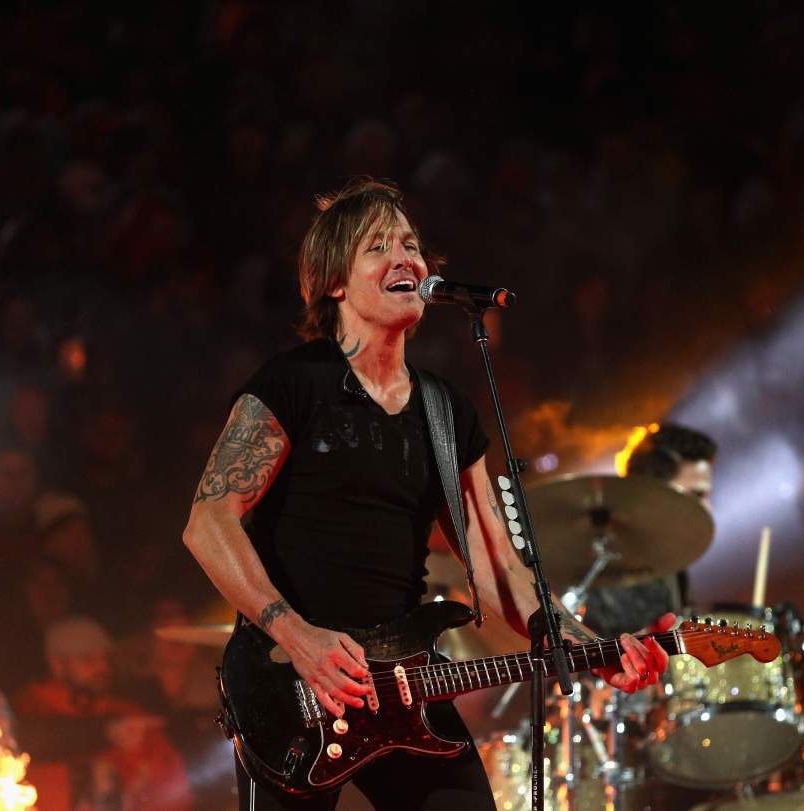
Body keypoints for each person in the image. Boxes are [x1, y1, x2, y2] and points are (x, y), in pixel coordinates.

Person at [181, 178, 671, 811]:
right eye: (378, 247)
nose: (406, 259)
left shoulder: (445, 412)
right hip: (291, 684)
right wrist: (299, 637)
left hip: (408, 681)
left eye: (410, 245)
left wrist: (587, 647)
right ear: (336, 281)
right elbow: (208, 522)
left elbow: (498, 573)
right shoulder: (293, 383)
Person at [14, 615, 192, 811]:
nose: (103, 668)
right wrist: (107, 732)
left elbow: (169, 785)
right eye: (88, 660)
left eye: (105, 659)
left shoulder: (123, 712)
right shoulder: (30, 709)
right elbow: (41, 738)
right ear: (58, 665)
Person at [582, 423, 717, 639]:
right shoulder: (602, 563)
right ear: (653, 494)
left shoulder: (673, 564)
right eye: (695, 495)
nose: (708, 509)